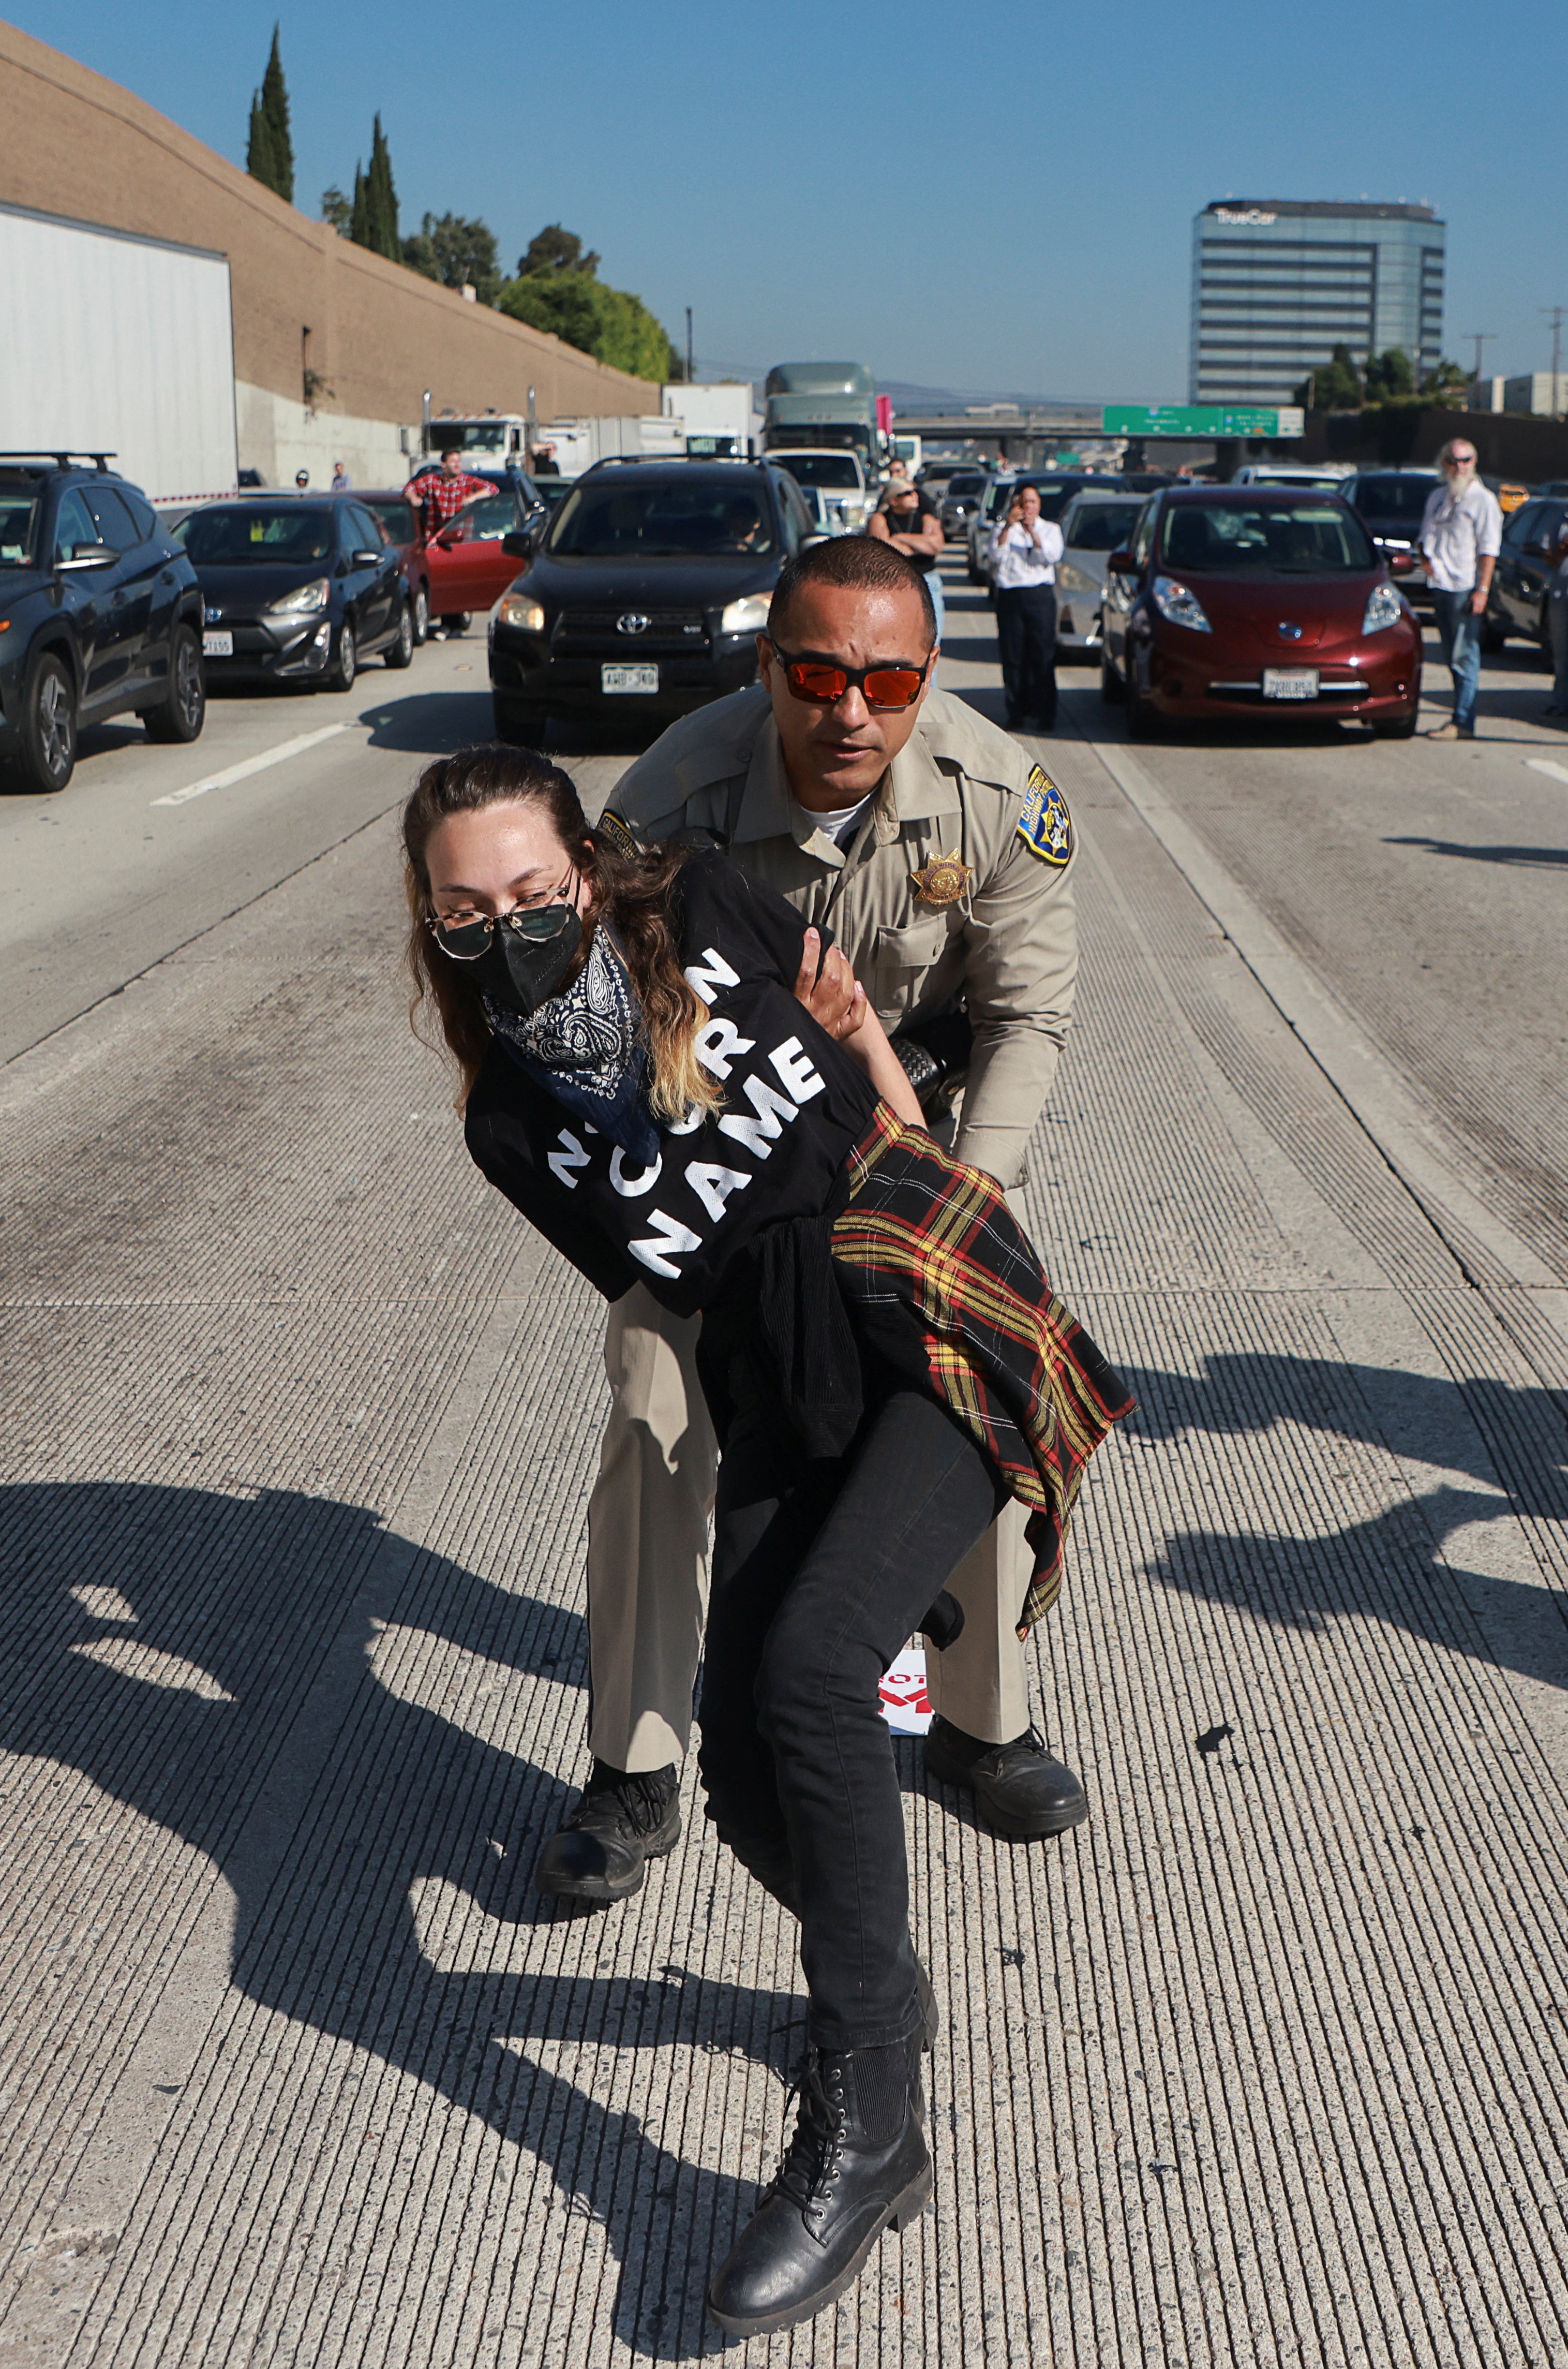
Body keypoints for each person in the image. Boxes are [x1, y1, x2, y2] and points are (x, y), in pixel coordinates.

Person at [401, 742, 1130, 2334]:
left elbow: (862, 1077)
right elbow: (669, 1280)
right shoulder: (510, 1132)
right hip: (773, 1372)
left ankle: (864, 2117)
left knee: (810, 1673)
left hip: (910, 1307)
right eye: (468, 916)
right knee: (738, 1770)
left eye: (533, 891)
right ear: (434, 930)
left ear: (585, 870)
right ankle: (882, 1993)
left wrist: (878, 1057)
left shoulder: (711, 903)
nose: (508, 926)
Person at [542, 535, 1084, 1911]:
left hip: (912, 1131)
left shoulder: (999, 793)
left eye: (888, 678)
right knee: (651, 1398)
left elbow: (1027, 1013)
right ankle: (636, 1759)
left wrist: (978, 1191)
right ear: (768, 664)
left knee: (983, 1388)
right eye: (818, 672)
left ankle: (979, 1721)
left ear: (925, 677)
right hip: (722, 1141)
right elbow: (608, 1011)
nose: (851, 709)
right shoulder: (675, 791)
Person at [1418, 439, 1502, 741]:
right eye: (1455, 461)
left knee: (1464, 656)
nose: (1460, 466)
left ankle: (1463, 722)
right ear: (1444, 463)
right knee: (1451, 656)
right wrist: (1425, 561)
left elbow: (1489, 550)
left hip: (1465, 587)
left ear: (1474, 462)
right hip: (1440, 585)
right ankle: (1459, 716)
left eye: (1466, 460)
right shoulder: (1439, 497)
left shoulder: (1483, 500)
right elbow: (1426, 537)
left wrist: (1482, 590)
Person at [991, 482, 1063, 731]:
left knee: (1042, 655)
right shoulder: (1004, 528)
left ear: (1039, 505)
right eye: (1023, 502)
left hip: (1039, 595)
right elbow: (996, 556)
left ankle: (1045, 713)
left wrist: (1034, 534)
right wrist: (1009, 526)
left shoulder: (1051, 529)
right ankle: (1016, 712)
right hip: (1011, 595)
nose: (1027, 507)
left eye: (1032, 502)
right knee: (1013, 656)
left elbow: (1052, 557)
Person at [869, 474, 946, 637]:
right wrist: (920, 545)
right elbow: (883, 548)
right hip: (894, 581)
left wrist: (901, 538)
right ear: (893, 500)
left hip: (928, 579)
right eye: (907, 493)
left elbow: (936, 546)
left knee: (932, 637)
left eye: (914, 491)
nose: (914, 496)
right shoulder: (880, 519)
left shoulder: (926, 519)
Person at [405, 448, 498, 540]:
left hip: (461, 540)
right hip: (435, 539)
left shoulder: (468, 481)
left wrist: (473, 497)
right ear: (444, 465)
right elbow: (409, 488)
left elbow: (493, 489)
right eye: (453, 461)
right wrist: (413, 498)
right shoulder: (432, 481)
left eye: (459, 461)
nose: (457, 465)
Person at [1544, 510, 1568, 722]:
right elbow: (1548, 559)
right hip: (1561, 596)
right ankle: (1561, 702)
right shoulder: (1559, 519)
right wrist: (1561, 549)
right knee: (1561, 652)